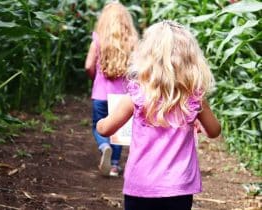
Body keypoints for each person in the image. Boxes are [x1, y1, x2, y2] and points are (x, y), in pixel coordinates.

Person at [97, 20, 221, 210]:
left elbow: (105, 129)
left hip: (141, 184)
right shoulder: (194, 100)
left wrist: (99, 124)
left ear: (147, 57)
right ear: (190, 59)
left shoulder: (136, 96)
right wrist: (198, 121)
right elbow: (214, 131)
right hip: (179, 187)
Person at [84, 1, 138, 177]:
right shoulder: (132, 42)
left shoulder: (98, 40)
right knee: (118, 130)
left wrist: (96, 79)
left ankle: (103, 146)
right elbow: (138, 69)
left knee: (97, 125)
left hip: (100, 94)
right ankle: (115, 166)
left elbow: (88, 66)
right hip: (123, 96)